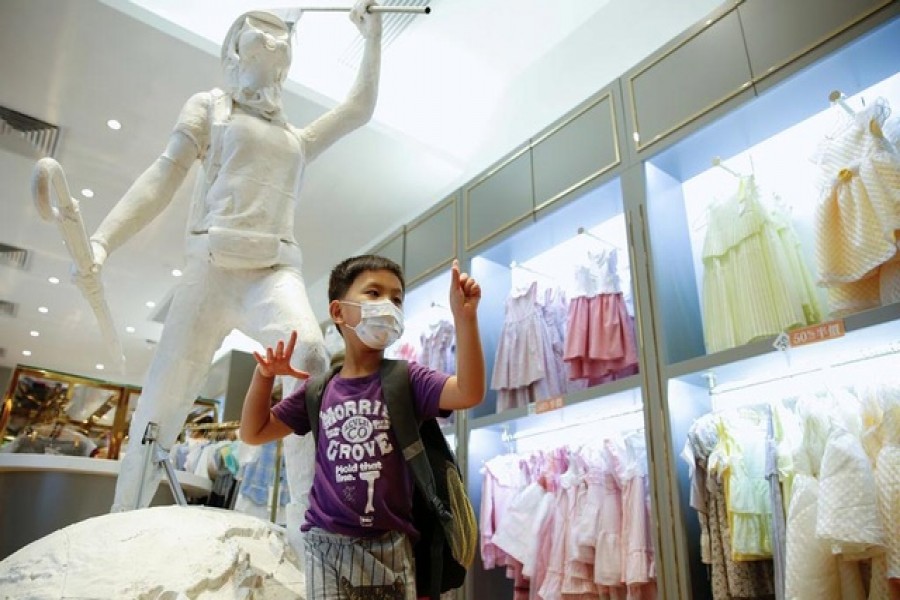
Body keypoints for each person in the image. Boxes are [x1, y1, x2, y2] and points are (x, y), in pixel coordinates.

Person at [86, 1, 384, 518]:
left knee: (311, 358)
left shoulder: (295, 137)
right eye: (258, 38)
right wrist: (103, 240)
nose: (270, 46)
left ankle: (305, 519)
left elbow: (359, 109)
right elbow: (163, 174)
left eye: (279, 41)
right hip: (211, 269)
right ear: (234, 50)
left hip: (272, 271)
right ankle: (122, 516)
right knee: (162, 399)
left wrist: (372, 34)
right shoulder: (210, 108)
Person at [240, 255, 485, 599]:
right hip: (324, 543)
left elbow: (469, 392)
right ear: (339, 312)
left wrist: (465, 319)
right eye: (373, 293)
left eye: (396, 298)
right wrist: (264, 376)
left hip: (390, 544)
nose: (387, 304)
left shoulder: (408, 378)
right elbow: (254, 432)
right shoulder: (318, 390)